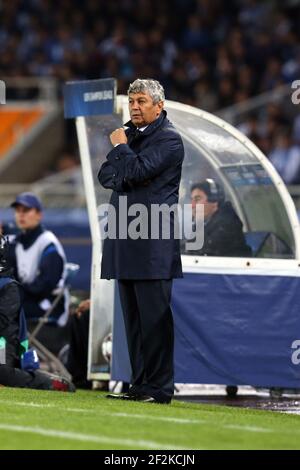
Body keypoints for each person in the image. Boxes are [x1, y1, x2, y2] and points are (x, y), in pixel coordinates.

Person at [98, 78, 185, 404]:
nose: (134, 107)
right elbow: (106, 176)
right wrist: (125, 160)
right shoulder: (131, 135)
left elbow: (133, 173)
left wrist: (121, 150)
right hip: (125, 237)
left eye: (141, 101)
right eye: (131, 101)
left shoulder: (170, 140)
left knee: (154, 321)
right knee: (132, 322)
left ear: (158, 106)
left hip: (151, 243)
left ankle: (159, 389)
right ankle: (139, 385)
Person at [0, 235, 75, 391]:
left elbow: (3, 325)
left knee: (2, 373)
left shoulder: (8, 286)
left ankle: (48, 382)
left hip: (1, 343)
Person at [9, 192, 69, 326]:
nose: (21, 214)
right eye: (18, 211)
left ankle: (9, 347)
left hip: (49, 305)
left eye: (26, 210)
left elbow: (44, 286)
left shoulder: (48, 244)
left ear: (39, 215)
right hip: (29, 300)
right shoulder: (17, 243)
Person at [185, 179, 251, 257]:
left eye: (197, 199)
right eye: (192, 200)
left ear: (214, 201)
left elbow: (204, 251)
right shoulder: (204, 223)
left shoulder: (227, 225)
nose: (192, 205)